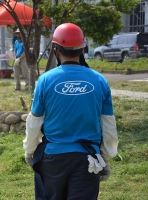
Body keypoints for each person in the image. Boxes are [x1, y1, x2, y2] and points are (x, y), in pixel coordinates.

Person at [23, 23, 118, 200]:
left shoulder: (45, 81)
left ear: (55, 50)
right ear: (82, 48)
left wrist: (29, 151)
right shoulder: (99, 81)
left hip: (53, 159)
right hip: (88, 159)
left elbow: (34, 121)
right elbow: (108, 124)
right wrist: (105, 156)